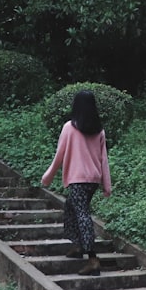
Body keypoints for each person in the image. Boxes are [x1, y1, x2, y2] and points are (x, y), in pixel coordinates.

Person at [41, 90, 112, 276]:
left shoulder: (69, 128)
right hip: (92, 180)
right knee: (71, 208)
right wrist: (106, 184)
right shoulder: (99, 130)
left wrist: (48, 176)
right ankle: (80, 246)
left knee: (81, 214)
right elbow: (104, 160)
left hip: (78, 179)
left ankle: (92, 258)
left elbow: (60, 155)